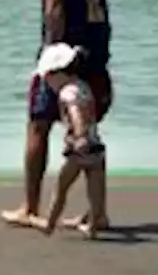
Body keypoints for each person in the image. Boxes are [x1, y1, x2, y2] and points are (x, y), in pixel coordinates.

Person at [1, 0, 113, 231]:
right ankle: (96, 212)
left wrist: (50, 50)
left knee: (39, 125)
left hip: (66, 51)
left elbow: (55, 5)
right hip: (96, 44)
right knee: (86, 130)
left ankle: (30, 207)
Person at [28, 43, 107, 239]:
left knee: (61, 187)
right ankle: (94, 224)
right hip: (96, 147)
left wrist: (79, 135)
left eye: (49, 79)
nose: (49, 85)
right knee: (95, 191)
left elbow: (74, 111)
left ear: (58, 73)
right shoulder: (83, 87)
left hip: (79, 151)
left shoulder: (67, 92)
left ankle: (50, 223)